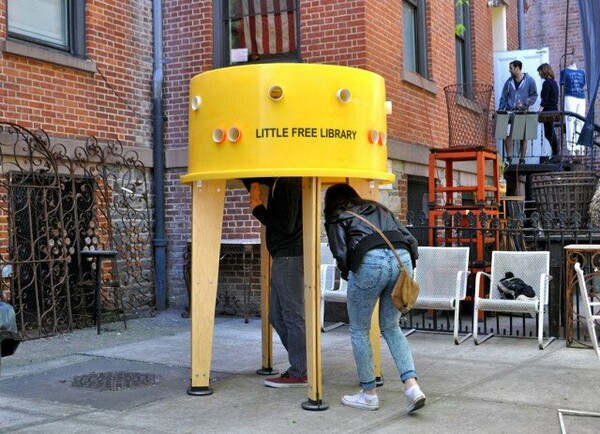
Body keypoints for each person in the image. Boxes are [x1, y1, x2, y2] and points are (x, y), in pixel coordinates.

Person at [323, 183, 425, 412]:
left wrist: (352, 273)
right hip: (402, 259)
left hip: (369, 261)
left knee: (359, 329)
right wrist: (408, 268)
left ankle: (369, 394)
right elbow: (410, 239)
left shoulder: (337, 216)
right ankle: (412, 387)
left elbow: (340, 253)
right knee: (391, 326)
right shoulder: (377, 207)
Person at [246, 177, 307, 387]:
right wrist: (252, 184)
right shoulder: (280, 181)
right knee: (276, 315)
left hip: (289, 257)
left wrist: (258, 210)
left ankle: (300, 371)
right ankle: (304, 363)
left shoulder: (288, 182)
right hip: (285, 257)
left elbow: (286, 224)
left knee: (293, 316)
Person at [498, 60, 538, 164]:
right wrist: (501, 110)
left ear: (517, 68)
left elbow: (534, 95)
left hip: (523, 112)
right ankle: (509, 158)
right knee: (508, 134)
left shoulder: (530, 81)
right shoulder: (508, 82)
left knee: (523, 136)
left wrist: (525, 103)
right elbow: (503, 97)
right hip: (510, 112)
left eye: (511, 68)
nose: (509, 70)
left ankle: (522, 159)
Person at [560, 62, 586, 155]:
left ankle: (580, 147)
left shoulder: (582, 72)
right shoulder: (564, 71)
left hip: (581, 97)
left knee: (580, 121)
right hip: (570, 97)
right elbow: (562, 83)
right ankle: (571, 148)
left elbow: (582, 84)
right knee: (570, 121)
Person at [536, 63, 560, 162]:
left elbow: (545, 99)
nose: (539, 74)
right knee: (550, 132)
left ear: (544, 70)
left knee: (549, 133)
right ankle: (555, 153)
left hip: (548, 111)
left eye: (540, 72)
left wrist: (539, 111)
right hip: (554, 109)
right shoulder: (554, 82)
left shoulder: (546, 83)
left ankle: (556, 154)